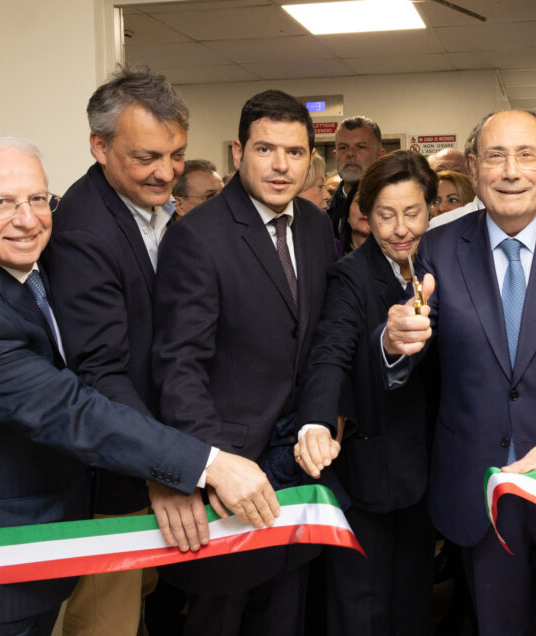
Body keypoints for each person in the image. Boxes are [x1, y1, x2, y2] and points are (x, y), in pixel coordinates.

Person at [0, 133, 217, 636]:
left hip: (29, 554)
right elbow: (72, 411)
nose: (28, 219)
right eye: (2, 203)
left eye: (38, 198)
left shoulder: (19, 269)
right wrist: (207, 463)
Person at [382, 110, 536, 635]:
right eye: (496, 156)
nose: (511, 171)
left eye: (526, 156)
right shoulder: (439, 248)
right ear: (474, 169)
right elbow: (417, 336)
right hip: (484, 492)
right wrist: (393, 342)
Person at [151, 89, 337, 636]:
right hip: (229, 476)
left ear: (310, 159)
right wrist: (212, 465)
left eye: (295, 152)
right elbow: (179, 367)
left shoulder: (314, 225)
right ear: (238, 152)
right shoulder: (196, 236)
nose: (281, 166)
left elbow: (317, 338)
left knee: (285, 615)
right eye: (265, 149)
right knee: (222, 619)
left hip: (295, 469)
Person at [41, 66, 192, 636]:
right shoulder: (84, 230)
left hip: (157, 454)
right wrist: (161, 467)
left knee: (143, 603)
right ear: (99, 147)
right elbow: (100, 370)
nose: (166, 172)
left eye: (176, 155)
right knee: (107, 619)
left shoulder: (157, 211)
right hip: (116, 473)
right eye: (146, 157)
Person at [296, 150, 437, 636]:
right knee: (363, 610)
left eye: (412, 213)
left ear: (431, 209)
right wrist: (316, 421)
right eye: (385, 215)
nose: (400, 229)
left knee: (412, 605)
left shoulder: (437, 263)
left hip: (429, 473)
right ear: (365, 215)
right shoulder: (350, 277)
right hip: (371, 474)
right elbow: (330, 353)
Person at [327, 116, 385, 236]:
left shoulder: (398, 206)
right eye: (343, 147)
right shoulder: (322, 213)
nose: (350, 153)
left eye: (361, 147)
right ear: (335, 155)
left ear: (380, 155)